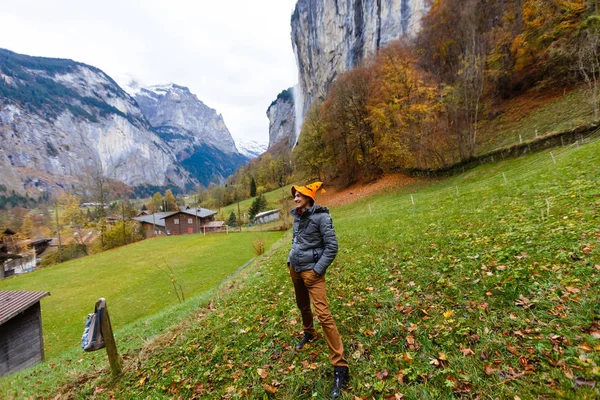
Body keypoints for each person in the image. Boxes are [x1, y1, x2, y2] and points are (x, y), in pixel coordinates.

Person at [287, 181, 349, 398]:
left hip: (312, 273)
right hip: (295, 269)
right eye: (295, 195)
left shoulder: (322, 217)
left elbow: (332, 247)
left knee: (324, 315)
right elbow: (296, 241)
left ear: (309, 198)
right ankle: (309, 334)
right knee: (302, 306)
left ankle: (340, 367)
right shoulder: (297, 215)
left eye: (300, 195)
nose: (295, 198)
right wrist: (290, 261)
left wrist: (317, 270)